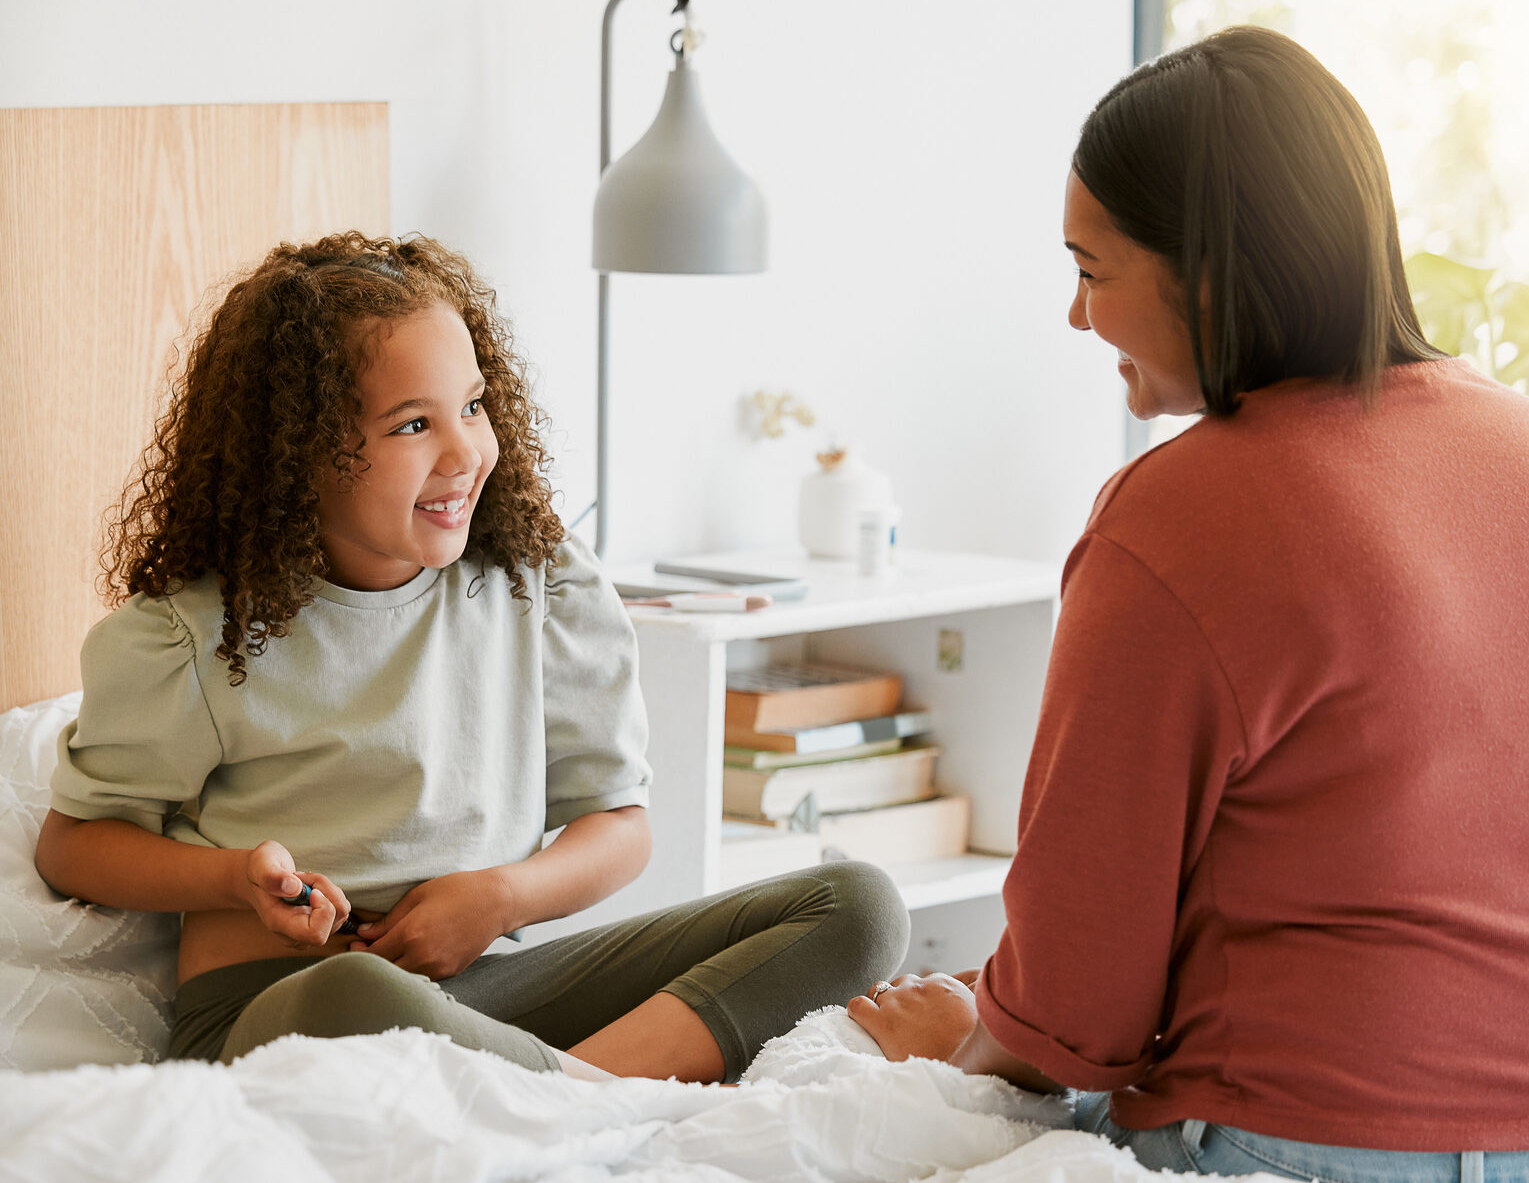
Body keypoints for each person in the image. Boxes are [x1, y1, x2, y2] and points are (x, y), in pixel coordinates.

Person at [848, 25, 1529, 1183]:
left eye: (1092, 268)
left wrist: (958, 1042)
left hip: (1301, 1153)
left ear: (1214, 274)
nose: (1076, 318)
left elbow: (1077, 1005)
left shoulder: (1174, 515)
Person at [34, 232, 907, 1082]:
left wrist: (502, 898)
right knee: (352, 990)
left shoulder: (542, 589)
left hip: (485, 993)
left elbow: (620, 828)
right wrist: (236, 881)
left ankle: (555, 1095)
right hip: (286, 1011)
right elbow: (76, 845)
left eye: (475, 406)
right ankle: (593, 1099)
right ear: (295, 454)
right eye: (413, 423)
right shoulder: (194, 636)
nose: (465, 453)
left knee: (859, 908)